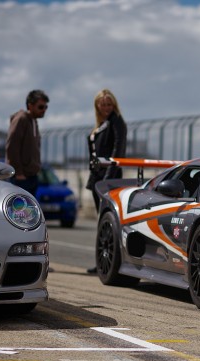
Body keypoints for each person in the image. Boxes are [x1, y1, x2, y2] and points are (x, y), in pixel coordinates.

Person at [86, 88, 127, 274]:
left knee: (107, 221)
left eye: (109, 104)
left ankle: (109, 264)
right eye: (103, 104)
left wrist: (109, 176)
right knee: (102, 221)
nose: (106, 107)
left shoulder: (116, 121)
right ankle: (103, 262)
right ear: (97, 105)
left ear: (114, 105)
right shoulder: (101, 124)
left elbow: (118, 150)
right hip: (96, 176)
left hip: (108, 177)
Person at [5, 89, 49, 196]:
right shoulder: (21, 119)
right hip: (22, 178)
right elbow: (12, 146)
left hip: (31, 177)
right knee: (21, 211)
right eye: (40, 107)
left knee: (29, 211)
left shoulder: (34, 121)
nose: (44, 110)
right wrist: (19, 173)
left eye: (45, 107)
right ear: (30, 105)